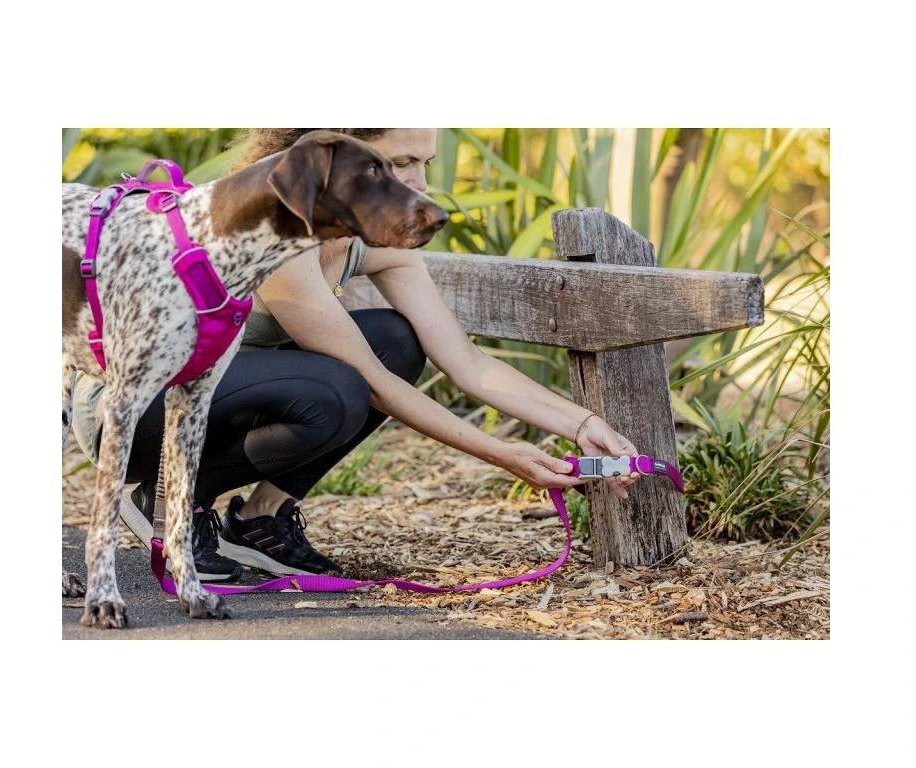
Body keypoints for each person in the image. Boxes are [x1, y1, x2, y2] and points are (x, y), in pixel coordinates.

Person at [69, 128, 639, 583]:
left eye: (425, 164)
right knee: (335, 390)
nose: (419, 183)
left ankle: (261, 519)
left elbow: (467, 363)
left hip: (221, 398)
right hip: (133, 411)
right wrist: (502, 454)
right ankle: (171, 498)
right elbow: (372, 384)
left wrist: (582, 424)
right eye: (400, 163)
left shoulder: (373, 239)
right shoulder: (272, 228)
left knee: (397, 339)